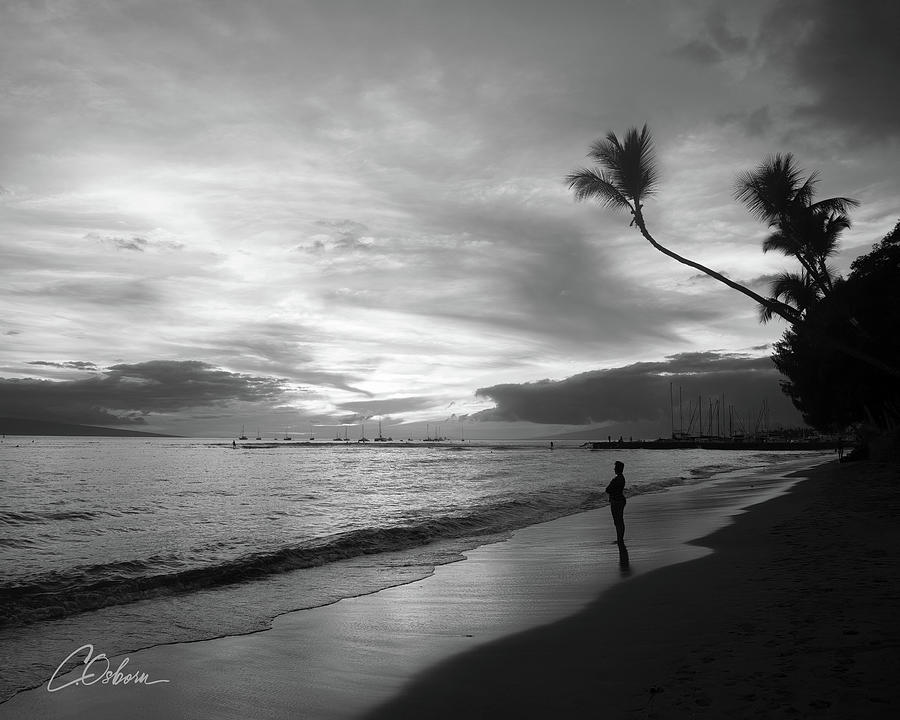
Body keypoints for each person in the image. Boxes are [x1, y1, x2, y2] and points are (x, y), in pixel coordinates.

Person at [605, 460, 627, 544]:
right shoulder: (621, 478)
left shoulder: (617, 479)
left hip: (616, 501)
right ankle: (620, 538)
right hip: (620, 500)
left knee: (617, 521)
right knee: (619, 520)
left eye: (615, 467)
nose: (614, 469)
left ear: (618, 468)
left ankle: (620, 539)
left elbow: (608, 489)